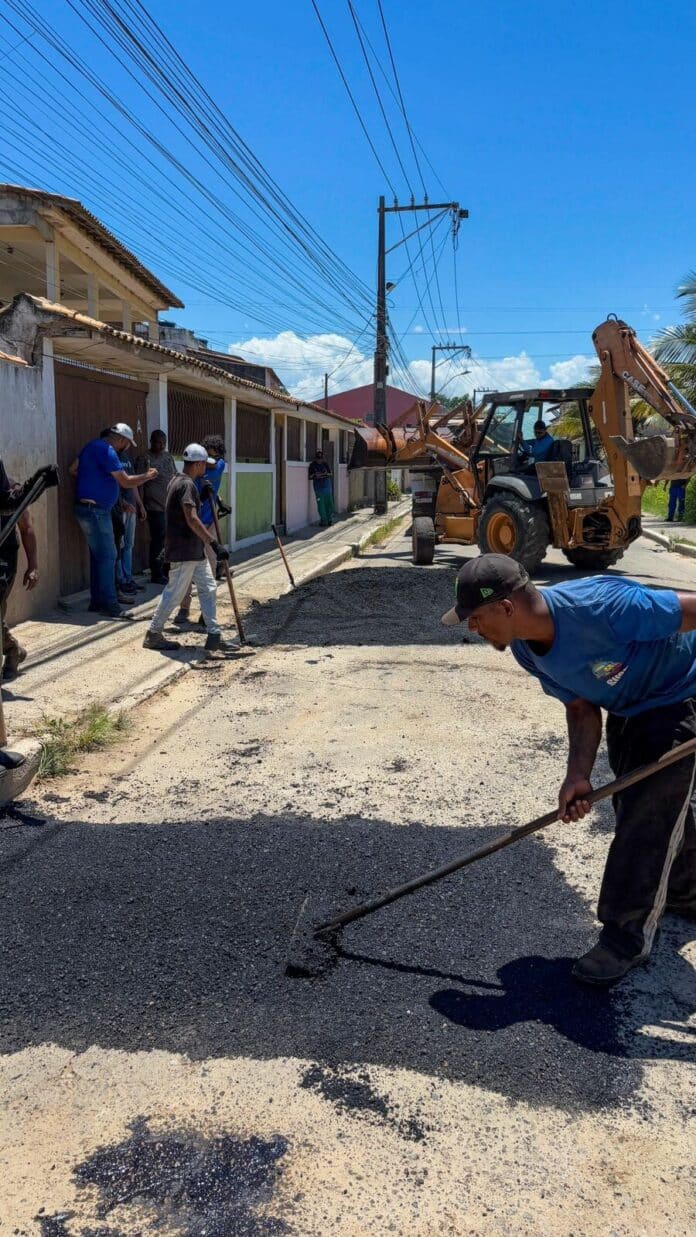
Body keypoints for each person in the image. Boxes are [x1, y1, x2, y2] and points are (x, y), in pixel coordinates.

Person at [441, 552, 696, 988]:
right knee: (646, 806)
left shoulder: (602, 607)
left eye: (476, 617)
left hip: (682, 691)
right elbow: (580, 706)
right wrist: (576, 774)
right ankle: (688, 892)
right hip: (631, 707)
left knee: (647, 810)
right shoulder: (526, 650)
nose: (472, 628)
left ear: (506, 607)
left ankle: (624, 938)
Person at [143, 442, 235, 653]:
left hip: (194, 550)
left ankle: (214, 635)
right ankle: (153, 633)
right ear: (198, 464)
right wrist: (213, 542)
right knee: (174, 594)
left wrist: (202, 498)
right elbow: (191, 518)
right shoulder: (186, 485)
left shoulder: (178, 480)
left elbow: (187, 510)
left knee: (208, 588)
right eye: (205, 464)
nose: (206, 468)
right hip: (185, 549)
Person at [72, 424, 156, 618]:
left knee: (98, 556)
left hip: (87, 508)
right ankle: (110, 604)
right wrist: (147, 476)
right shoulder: (108, 451)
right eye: (127, 443)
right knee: (109, 556)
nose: (126, 447)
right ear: (121, 440)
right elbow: (126, 481)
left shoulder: (91, 446)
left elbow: (73, 469)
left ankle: (97, 602)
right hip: (96, 511)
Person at [174, 433, 227, 626]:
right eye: (205, 456)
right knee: (187, 568)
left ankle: (207, 612)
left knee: (210, 567)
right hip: (191, 523)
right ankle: (184, 608)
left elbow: (214, 465)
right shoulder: (190, 473)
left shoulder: (218, 465)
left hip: (209, 521)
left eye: (212, 455)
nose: (208, 460)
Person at [0, 460, 39, 680]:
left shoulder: (13, 494)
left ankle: (12, 649)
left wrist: (33, 566)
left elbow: (27, 529)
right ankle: (13, 649)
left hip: (4, 561)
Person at [135, 430, 178, 584]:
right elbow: (139, 483)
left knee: (169, 539)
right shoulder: (144, 459)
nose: (159, 446)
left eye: (162, 443)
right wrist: (141, 506)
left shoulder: (167, 457)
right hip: (154, 507)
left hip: (169, 507)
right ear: (151, 441)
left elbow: (174, 476)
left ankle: (167, 569)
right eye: (156, 442)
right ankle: (156, 572)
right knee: (158, 540)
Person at [114, 444, 147, 601]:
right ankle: (120, 580)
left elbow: (132, 483)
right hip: (120, 509)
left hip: (132, 507)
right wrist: (121, 503)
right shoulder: (113, 456)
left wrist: (140, 504)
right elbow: (114, 484)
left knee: (129, 545)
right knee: (119, 546)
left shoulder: (126, 457)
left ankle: (128, 578)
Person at [309, 448, 334, 526]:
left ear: (323, 458)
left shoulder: (325, 464)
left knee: (329, 504)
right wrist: (316, 475)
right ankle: (323, 520)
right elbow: (310, 476)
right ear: (315, 458)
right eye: (318, 459)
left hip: (327, 488)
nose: (319, 460)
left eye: (321, 459)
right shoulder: (312, 465)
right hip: (318, 489)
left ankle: (329, 519)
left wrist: (325, 474)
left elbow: (330, 474)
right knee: (321, 505)